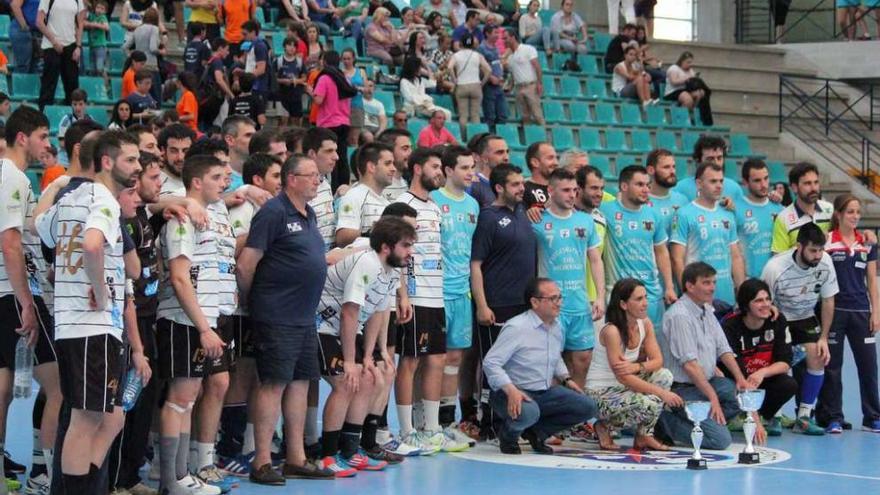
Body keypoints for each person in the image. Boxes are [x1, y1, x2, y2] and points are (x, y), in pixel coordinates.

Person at [35, 130, 142, 492]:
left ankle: (85, 485)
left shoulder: (71, 199)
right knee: (85, 419)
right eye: (130, 159)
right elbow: (93, 245)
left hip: (75, 325)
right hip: (89, 324)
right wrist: (99, 291)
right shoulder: (103, 200)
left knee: (108, 417)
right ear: (107, 162)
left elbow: (42, 230)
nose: (138, 166)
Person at [0, 107, 64, 493]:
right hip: (11, 293)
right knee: (59, 385)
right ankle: (46, 472)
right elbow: (9, 242)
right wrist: (26, 300)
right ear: (23, 137)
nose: (48, 143)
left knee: (4, 384)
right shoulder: (13, 176)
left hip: (4, 291)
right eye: (43, 135)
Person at [393, 148, 469, 452]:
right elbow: (396, 254)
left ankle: (432, 428)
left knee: (436, 360)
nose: (440, 172)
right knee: (409, 361)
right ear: (417, 169)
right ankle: (407, 431)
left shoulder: (435, 207)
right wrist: (402, 295)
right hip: (415, 296)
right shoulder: (402, 205)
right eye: (435, 167)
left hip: (436, 296)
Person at [483, 278, 598, 454]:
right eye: (553, 299)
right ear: (535, 302)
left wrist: (566, 379)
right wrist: (511, 390)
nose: (559, 303)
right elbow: (491, 362)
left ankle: (537, 432)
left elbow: (555, 355)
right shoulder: (517, 327)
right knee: (529, 413)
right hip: (509, 393)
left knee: (587, 406)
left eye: (560, 298)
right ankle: (508, 435)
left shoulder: (557, 326)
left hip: (542, 392)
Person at [655, 262, 752, 449]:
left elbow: (724, 349)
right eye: (706, 283)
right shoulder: (679, 316)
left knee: (740, 396)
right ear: (690, 286)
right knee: (720, 440)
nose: (713, 287)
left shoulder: (707, 309)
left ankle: (702, 418)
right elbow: (690, 366)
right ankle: (664, 421)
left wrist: (741, 379)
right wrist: (713, 398)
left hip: (705, 382)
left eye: (714, 282)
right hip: (682, 388)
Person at [471, 164, 537, 438]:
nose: (522, 188)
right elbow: (476, 265)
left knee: (517, 366)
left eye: (522, 183)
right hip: (497, 305)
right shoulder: (488, 218)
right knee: (491, 365)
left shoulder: (523, 213)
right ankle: (487, 421)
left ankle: (513, 421)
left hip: (524, 306)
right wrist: (483, 305)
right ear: (499, 188)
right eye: (515, 185)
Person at [762, 222, 838, 435]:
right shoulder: (775, 267)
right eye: (813, 250)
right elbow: (763, 303)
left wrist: (823, 337)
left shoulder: (825, 262)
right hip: (779, 315)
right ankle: (773, 415)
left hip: (805, 315)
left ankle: (804, 417)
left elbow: (828, 300)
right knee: (781, 362)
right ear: (799, 246)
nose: (818, 255)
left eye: (821, 250)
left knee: (817, 355)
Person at [531, 169, 605, 389]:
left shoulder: (586, 221)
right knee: (551, 363)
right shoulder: (536, 222)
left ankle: (577, 417)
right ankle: (556, 416)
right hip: (550, 305)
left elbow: (595, 260)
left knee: (582, 360)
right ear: (550, 191)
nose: (572, 195)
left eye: (574, 190)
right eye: (565, 190)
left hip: (579, 303)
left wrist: (600, 297)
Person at [586, 278, 679, 450]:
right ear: (623, 304)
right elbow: (623, 378)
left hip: (625, 384)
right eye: (639, 299)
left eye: (645, 297)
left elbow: (658, 361)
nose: (645, 303)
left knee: (665, 376)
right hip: (601, 392)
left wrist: (637, 367)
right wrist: (662, 394)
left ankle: (644, 435)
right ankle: (604, 426)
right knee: (649, 403)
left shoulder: (645, 323)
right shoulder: (611, 331)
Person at [818, 194, 880, 433]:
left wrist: (876, 312)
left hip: (861, 312)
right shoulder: (827, 242)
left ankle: (872, 416)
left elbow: (872, 281)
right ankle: (834, 416)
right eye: (850, 212)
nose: (855, 216)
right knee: (832, 366)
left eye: (857, 212)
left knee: (869, 365)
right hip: (834, 312)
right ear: (839, 214)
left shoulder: (867, 243)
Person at [430, 146, 481, 436]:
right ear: (448, 171)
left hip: (462, 294)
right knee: (429, 360)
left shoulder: (473, 205)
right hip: (434, 293)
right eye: (464, 167)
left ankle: (447, 422)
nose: (470, 172)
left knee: (454, 359)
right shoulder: (433, 200)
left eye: (472, 166)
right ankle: (424, 420)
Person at [600, 165, 676, 327]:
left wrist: (669, 286)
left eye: (647, 185)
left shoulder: (653, 214)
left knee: (651, 347)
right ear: (624, 186)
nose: (646, 190)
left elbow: (661, 252)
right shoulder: (605, 211)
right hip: (620, 295)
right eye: (640, 185)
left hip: (651, 294)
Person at [722, 278, 796, 438]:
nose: (766, 304)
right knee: (728, 385)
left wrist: (762, 372)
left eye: (768, 299)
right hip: (736, 380)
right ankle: (740, 415)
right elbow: (740, 378)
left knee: (788, 384)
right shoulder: (730, 327)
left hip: (759, 379)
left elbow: (785, 363)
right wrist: (754, 422)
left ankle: (758, 416)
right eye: (759, 301)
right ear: (746, 305)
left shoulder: (777, 320)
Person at [670, 161, 745, 306]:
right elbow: (677, 259)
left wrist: (741, 292)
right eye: (713, 181)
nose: (719, 186)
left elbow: (735, 256)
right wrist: (687, 294)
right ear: (699, 183)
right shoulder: (684, 214)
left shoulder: (727, 213)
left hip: (726, 297)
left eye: (721, 181)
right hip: (698, 298)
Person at [335, 143, 395, 247]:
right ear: (371, 167)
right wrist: (374, 233)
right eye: (387, 163)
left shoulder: (385, 201)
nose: (393, 168)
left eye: (393, 163)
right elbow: (342, 237)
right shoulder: (353, 196)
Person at [314, 50, 356, 192]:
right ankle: (344, 188)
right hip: (344, 121)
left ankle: (332, 189)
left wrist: (309, 91)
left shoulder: (324, 78)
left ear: (324, 61)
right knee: (342, 157)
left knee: (329, 159)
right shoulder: (344, 78)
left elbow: (318, 99)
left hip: (328, 123)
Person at [735, 158, 783, 278]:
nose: (763, 185)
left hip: (776, 279)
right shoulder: (735, 209)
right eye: (757, 180)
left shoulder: (779, 208)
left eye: (766, 178)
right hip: (750, 281)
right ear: (745, 182)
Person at [771, 162, 834, 254]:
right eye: (807, 183)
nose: (813, 188)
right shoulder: (783, 219)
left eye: (816, 182)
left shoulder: (830, 210)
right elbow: (778, 260)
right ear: (794, 187)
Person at [36, 0, 86, 111]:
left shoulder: (78, 1)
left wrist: (78, 46)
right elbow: (39, 22)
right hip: (51, 45)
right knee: (48, 84)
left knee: (72, 85)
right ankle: (43, 115)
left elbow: (80, 23)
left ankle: (74, 118)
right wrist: (54, 41)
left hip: (71, 45)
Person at [673, 135, 744, 202]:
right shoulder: (680, 189)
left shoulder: (734, 189)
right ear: (698, 161)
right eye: (710, 159)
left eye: (719, 158)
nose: (716, 163)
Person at [448, 33, 491, 131]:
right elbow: (488, 70)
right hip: (475, 85)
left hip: (462, 85)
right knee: (475, 115)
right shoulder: (478, 55)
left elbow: (449, 67)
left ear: (461, 43)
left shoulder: (456, 55)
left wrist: (454, 80)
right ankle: (476, 137)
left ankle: (463, 137)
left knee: (463, 115)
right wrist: (482, 83)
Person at [503, 29, 544, 126]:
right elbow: (513, 74)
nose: (505, 40)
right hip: (519, 87)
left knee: (537, 114)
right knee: (525, 116)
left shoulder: (527, 49)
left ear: (513, 38)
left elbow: (537, 66)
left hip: (530, 85)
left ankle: (544, 138)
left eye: (506, 38)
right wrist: (511, 86)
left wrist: (539, 83)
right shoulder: (510, 57)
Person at [645, 148, 688, 239]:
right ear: (650, 170)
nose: (672, 171)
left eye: (674, 167)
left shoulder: (683, 200)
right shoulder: (641, 201)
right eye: (666, 167)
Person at [466, 133, 510, 208]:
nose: (506, 158)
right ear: (483, 158)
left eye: (507, 152)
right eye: (499, 152)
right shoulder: (472, 186)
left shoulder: (514, 185)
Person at [478, 25, 508, 130]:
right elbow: (480, 67)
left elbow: (498, 64)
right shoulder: (481, 49)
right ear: (487, 33)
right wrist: (491, 78)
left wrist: (501, 76)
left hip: (499, 85)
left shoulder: (496, 48)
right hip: (488, 86)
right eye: (495, 33)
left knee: (502, 115)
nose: (497, 35)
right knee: (489, 116)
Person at [375, 129, 412, 202]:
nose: (411, 153)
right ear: (389, 152)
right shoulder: (378, 185)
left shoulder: (405, 183)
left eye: (411, 148)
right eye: (405, 149)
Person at [84, 0, 110, 76]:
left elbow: (107, 27)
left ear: (105, 11)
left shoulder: (102, 17)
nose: (99, 10)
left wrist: (95, 25)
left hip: (100, 46)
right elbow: (85, 22)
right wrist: (92, 24)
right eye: (98, 7)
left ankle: (105, 84)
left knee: (100, 68)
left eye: (102, 9)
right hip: (92, 46)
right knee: (92, 68)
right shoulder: (91, 16)